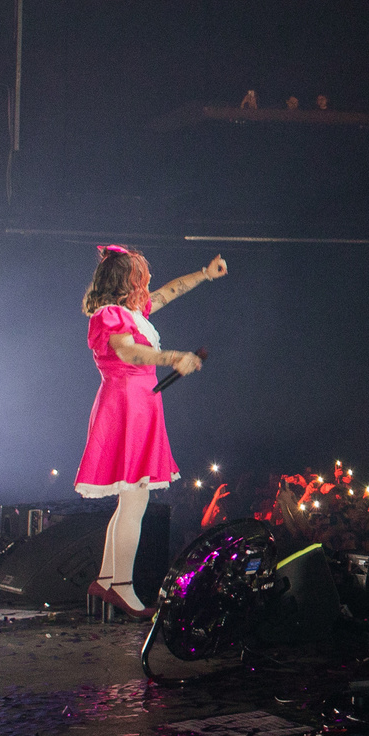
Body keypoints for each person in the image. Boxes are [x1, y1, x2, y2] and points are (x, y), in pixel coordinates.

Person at [74, 244, 223, 615]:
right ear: (127, 281)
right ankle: (122, 586)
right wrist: (171, 357)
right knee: (136, 499)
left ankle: (107, 581)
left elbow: (171, 291)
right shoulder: (110, 316)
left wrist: (205, 273)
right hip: (127, 402)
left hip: (138, 401)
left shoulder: (130, 312)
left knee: (130, 500)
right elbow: (128, 353)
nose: (150, 281)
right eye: (142, 276)